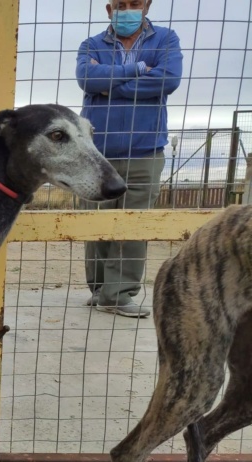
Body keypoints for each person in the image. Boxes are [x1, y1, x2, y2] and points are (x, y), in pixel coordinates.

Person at [76, 0, 182, 317]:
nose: (128, 9)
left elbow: (167, 80)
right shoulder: (91, 43)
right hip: (96, 151)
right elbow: (86, 79)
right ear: (109, 9)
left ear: (146, 5)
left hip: (145, 150)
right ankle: (100, 290)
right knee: (95, 222)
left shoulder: (166, 39)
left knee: (134, 224)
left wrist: (109, 84)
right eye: (121, 4)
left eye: (135, 3)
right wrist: (135, 70)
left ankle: (118, 294)